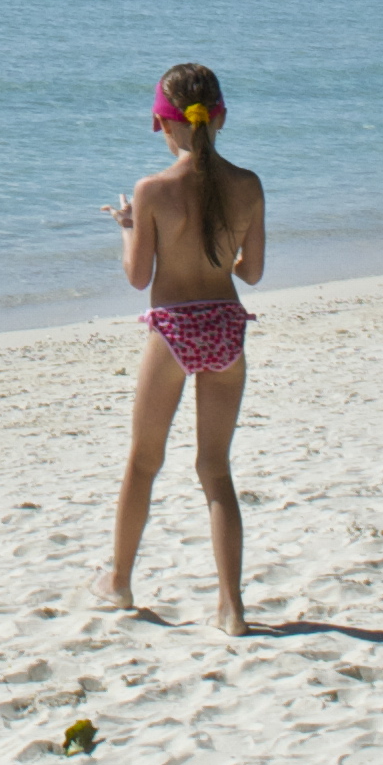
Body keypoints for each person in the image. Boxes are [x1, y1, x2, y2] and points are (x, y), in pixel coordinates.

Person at [106, 58, 263, 635]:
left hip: (174, 329)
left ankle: (119, 582)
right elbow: (252, 273)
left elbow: (138, 276)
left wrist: (127, 225)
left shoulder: (151, 190)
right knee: (215, 470)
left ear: (159, 124)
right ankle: (231, 607)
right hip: (226, 325)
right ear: (220, 118)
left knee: (144, 461)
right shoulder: (248, 185)